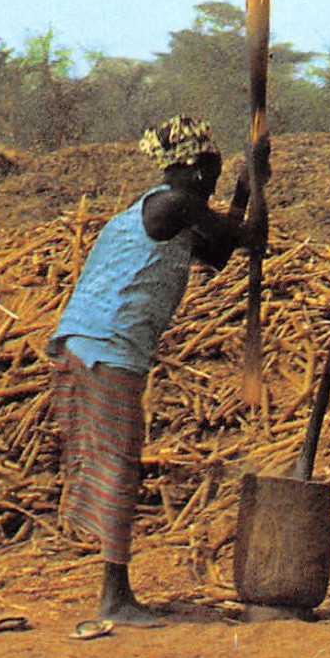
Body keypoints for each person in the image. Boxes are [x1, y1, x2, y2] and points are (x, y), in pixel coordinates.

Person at [49, 114, 268, 626]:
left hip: (100, 344)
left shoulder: (172, 209)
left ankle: (116, 591)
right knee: (119, 465)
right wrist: (254, 182)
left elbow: (216, 254)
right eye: (214, 165)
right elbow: (249, 236)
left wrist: (242, 190)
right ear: (194, 165)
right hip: (106, 345)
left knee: (117, 461)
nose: (215, 174)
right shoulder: (172, 203)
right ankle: (114, 598)